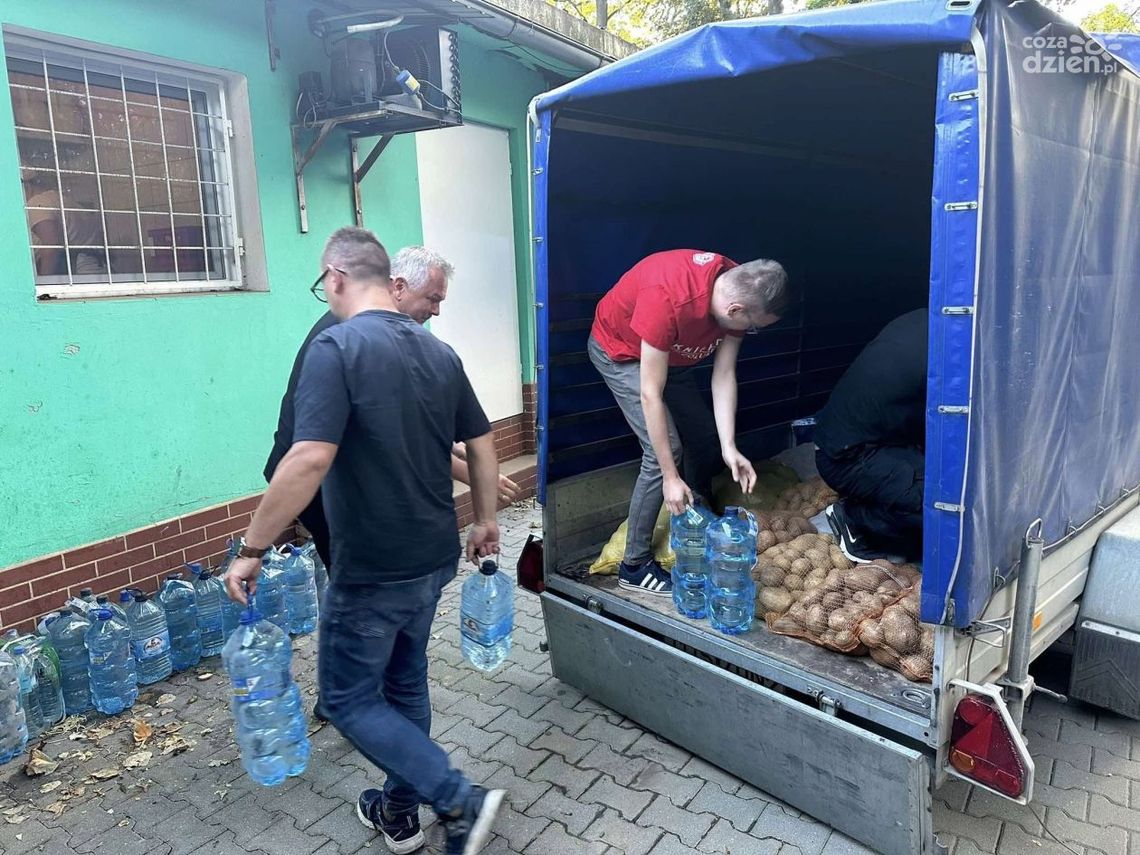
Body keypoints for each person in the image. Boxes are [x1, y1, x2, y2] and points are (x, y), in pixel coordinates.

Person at [228, 228, 505, 855]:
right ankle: (397, 810)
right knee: (406, 685)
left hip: (375, 565)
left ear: (335, 277)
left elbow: (308, 458)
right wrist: (485, 518)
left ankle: (459, 798)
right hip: (434, 554)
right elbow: (483, 443)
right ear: (391, 281)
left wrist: (252, 548)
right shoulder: (440, 354)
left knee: (349, 698)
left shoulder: (337, 344)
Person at [264, 246, 520, 570]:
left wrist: (470, 462)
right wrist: (476, 475)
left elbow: (415, 426)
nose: (437, 311)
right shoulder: (356, 338)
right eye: (432, 298)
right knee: (362, 578)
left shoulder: (382, 333)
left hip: (343, 472)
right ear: (397, 287)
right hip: (317, 483)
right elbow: (395, 438)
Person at [589, 249, 789, 595]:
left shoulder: (734, 282)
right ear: (735, 311)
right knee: (662, 453)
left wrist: (730, 448)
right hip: (622, 354)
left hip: (673, 355)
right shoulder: (666, 298)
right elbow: (650, 392)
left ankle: (694, 510)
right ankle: (633, 565)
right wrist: (670, 476)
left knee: (704, 433)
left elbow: (724, 374)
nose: (751, 331)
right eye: (753, 327)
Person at [815, 308, 927, 564]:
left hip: (881, 440)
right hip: (848, 456)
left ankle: (879, 498)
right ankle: (857, 523)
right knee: (942, 507)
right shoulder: (945, 354)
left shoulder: (922, 319)